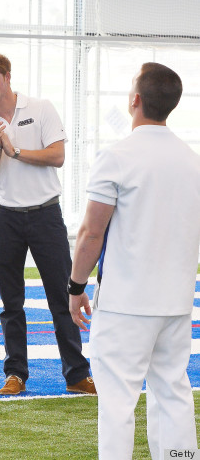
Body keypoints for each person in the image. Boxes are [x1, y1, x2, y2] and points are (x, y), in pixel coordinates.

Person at [69, 63, 200, 460]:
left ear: (136, 100)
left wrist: (75, 287)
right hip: (176, 302)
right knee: (173, 392)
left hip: (125, 303)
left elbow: (92, 232)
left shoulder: (117, 157)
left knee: (117, 403)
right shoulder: (192, 160)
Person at [0, 52, 95, 396]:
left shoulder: (40, 108)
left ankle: (76, 374)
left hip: (45, 215)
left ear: (8, 77)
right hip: (6, 218)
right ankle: (15, 375)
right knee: (11, 302)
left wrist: (15, 151)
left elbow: (57, 156)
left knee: (62, 296)